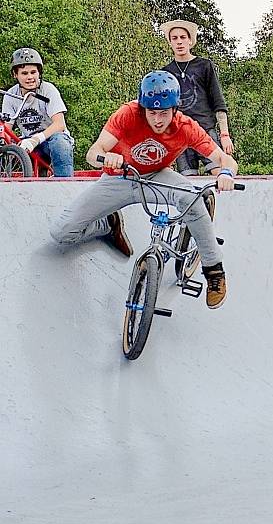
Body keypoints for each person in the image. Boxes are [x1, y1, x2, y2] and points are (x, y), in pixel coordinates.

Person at [50, 70, 239, 309]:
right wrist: (106, 157)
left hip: (157, 178)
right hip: (119, 178)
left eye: (164, 113)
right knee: (61, 232)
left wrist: (225, 173)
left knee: (192, 200)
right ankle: (107, 225)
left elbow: (226, 159)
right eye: (152, 112)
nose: (158, 120)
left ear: (175, 109)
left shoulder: (186, 126)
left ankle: (214, 271)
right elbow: (92, 153)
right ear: (143, 108)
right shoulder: (128, 114)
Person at [160, 19, 235, 177]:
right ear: (170, 42)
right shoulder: (165, 73)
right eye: (175, 38)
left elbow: (218, 101)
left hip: (205, 131)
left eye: (183, 37)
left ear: (190, 40)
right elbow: (161, 110)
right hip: (179, 134)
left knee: (221, 173)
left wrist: (225, 135)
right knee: (188, 182)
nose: (179, 42)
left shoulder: (204, 65)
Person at [1, 48, 74, 177]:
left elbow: (59, 124)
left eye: (33, 72)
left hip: (51, 139)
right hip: (27, 142)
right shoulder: (11, 95)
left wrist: (35, 139)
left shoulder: (48, 90)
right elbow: (7, 128)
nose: (30, 77)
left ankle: (65, 186)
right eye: (24, 73)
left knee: (60, 143)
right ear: (15, 75)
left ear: (39, 73)